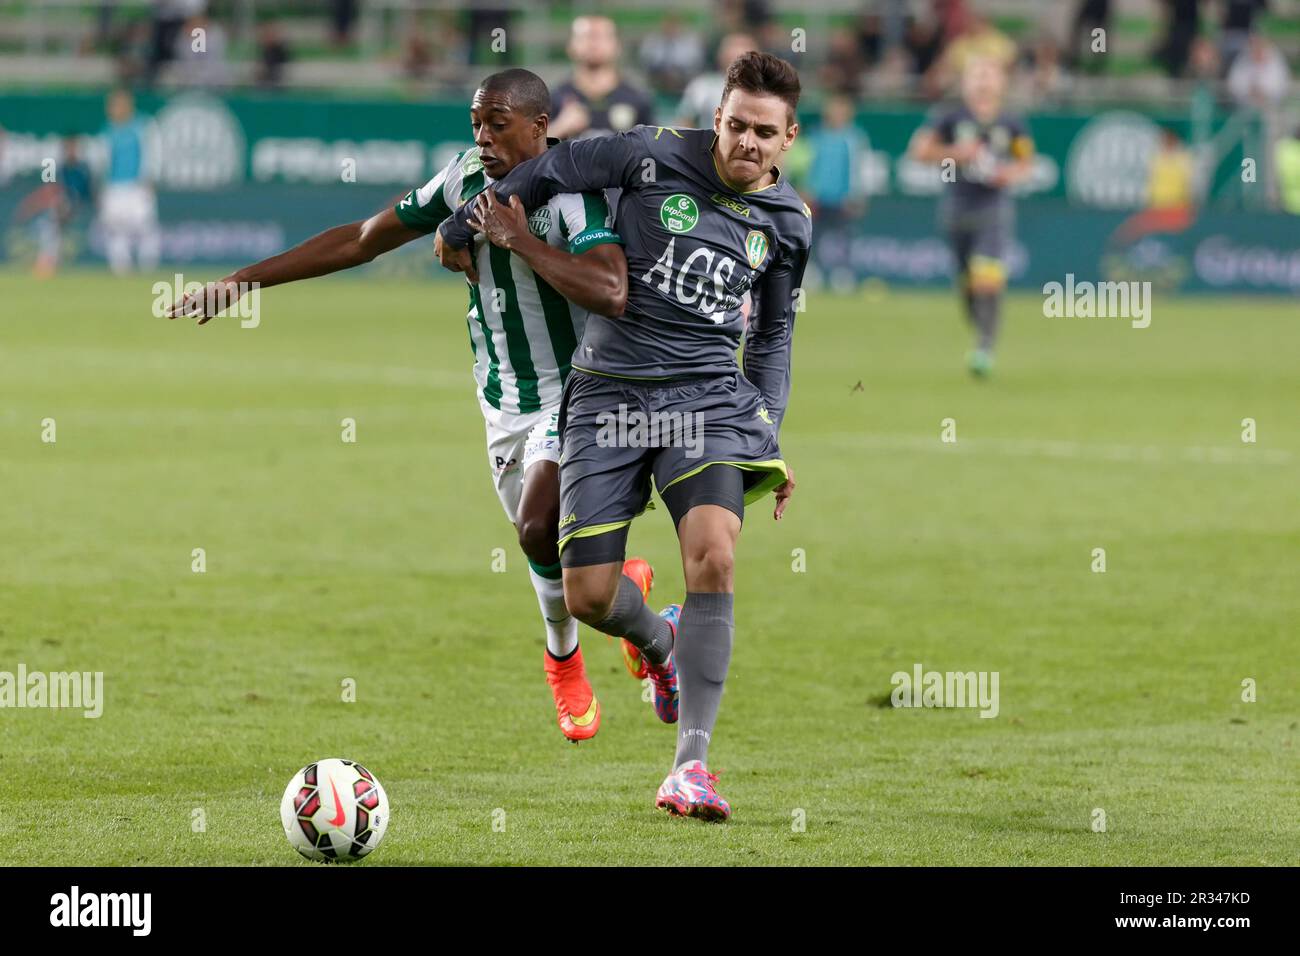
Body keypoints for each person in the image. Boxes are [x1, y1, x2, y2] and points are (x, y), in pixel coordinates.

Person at [168, 69, 646, 744]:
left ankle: (562, 661)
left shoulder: (571, 196)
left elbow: (610, 288)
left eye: (498, 123)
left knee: (538, 527)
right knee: (568, 564)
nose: (482, 136)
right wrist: (245, 281)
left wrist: (519, 241)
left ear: (541, 125)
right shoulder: (461, 183)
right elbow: (363, 238)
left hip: (581, 391)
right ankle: (633, 602)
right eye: (476, 122)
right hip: (503, 402)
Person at [437, 51, 810, 822]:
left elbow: (773, 335)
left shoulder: (790, 222)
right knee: (591, 596)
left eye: (764, 133)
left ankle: (693, 768)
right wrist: (460, 221)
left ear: (788, 138)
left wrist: (765, 428)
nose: (747, 142)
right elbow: (549, 168)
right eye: (736, 125)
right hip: (609, 396)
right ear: (717, 119)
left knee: (713, 554)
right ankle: (659, 637)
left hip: (707, 404)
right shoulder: (647, 153)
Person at [910, 57, 1034, 377]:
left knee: (987, 275)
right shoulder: (950, 118)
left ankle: (984, 346)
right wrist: (956, 154)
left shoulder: (1011, 123)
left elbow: (1026, 163)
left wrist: (1009, 174)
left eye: (989, 75)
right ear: (965, 84)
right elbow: (919, 151)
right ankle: (981, 330)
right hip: (957, 208)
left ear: (1001, 84)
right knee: (968, 281)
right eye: (977, 75)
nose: (983, 82)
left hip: (993, 208)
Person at [549, 16, 656, 141]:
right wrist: (560, 127)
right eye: (586, 36)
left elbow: (655, 151)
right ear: (570, 46)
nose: (594, 43)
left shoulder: (638, 99)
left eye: (602, 36)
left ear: (617, 45)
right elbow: (531, 154)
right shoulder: (553, 99)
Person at [98, 89, 160, 275]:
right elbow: (103, 161)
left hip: (137, 186)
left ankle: (148, 266)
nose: (113, 109)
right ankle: (121, 269)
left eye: (116, 105)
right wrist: (102, 186)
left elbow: (153, 153)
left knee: (144, 225)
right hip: (114, 186)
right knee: (115, 228)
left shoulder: (142, 126)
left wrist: (150, 177)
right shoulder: (107, 130)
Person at [14, 135, 93, 278]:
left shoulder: (83, 170)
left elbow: (87, 195)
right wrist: (31, 206)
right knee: (49, 229)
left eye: (73, 147)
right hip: (58, 209)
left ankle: (47, 263)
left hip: (75, 209)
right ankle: (46, 263)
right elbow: (49, 191)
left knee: (53, 229)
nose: (71, 151)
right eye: (68, 147)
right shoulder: (57, 167)